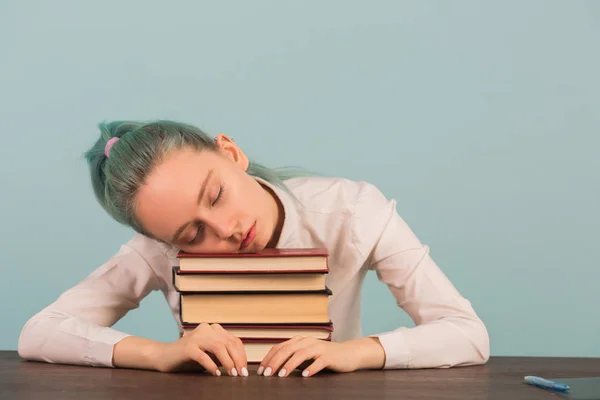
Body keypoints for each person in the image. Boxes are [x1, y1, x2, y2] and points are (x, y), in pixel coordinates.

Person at [17, 120, 490, 378]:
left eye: (217, 194)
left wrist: (356, 352)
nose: (224, 230)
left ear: (231, 152)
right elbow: (41, 332)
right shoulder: (155, 250)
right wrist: (159, 353)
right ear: (165, 240)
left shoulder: (353, 209)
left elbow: (467, 334)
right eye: (190, 236)